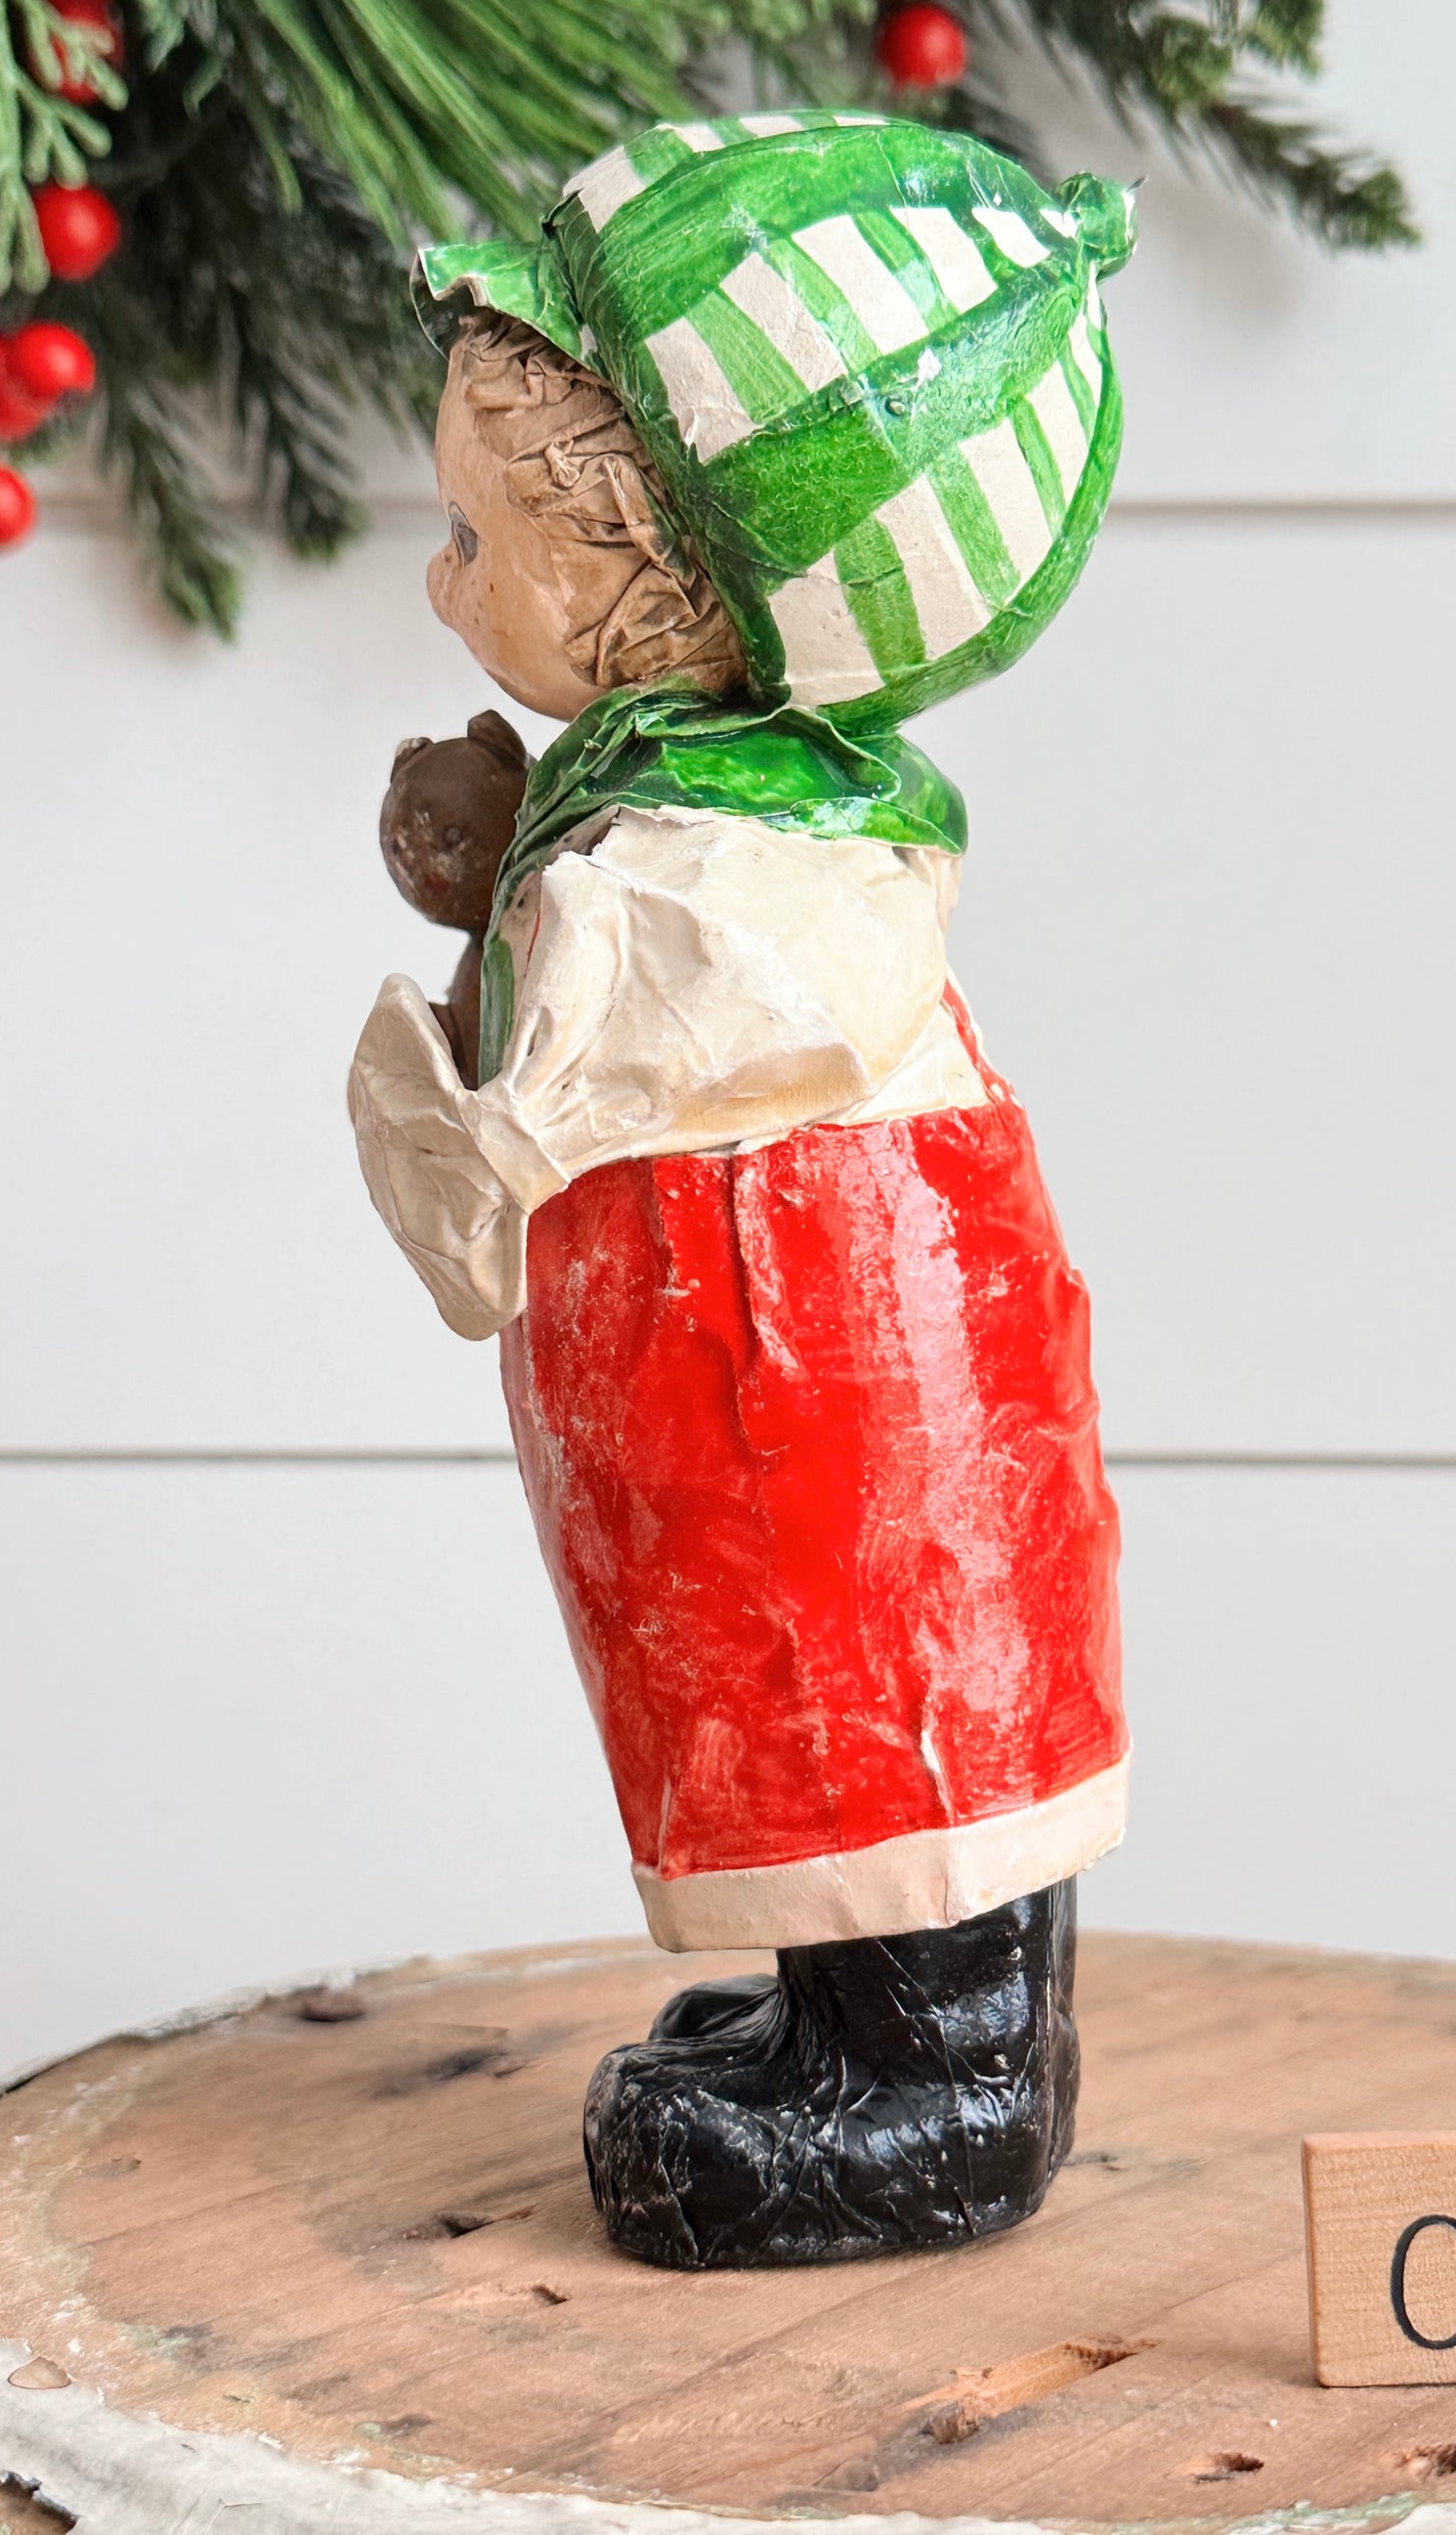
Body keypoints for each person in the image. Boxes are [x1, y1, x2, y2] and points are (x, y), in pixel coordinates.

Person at [349, 108, 1135, 2270]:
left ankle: (950, 2081)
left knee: (878, 1703)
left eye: (479, 539)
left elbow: (566, 1078)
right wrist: (500, 869)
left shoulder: (755, 877)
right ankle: (838, 2013)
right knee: (786, 1723)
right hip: (750, 1380)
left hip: (838, 1393)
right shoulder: (680, 805)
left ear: (668, 595)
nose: (441, 583)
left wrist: (495, 959)